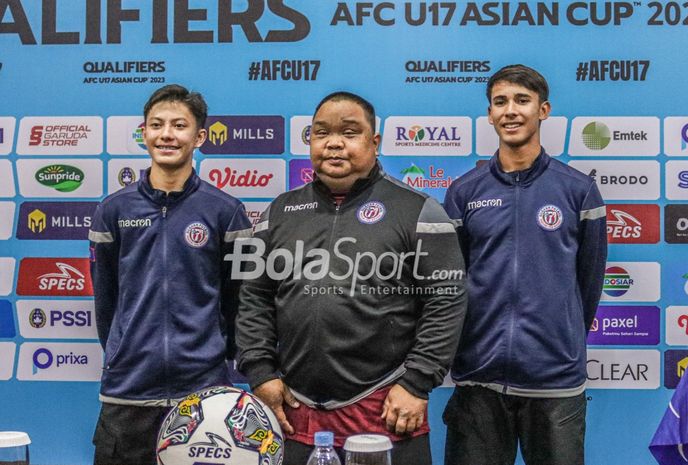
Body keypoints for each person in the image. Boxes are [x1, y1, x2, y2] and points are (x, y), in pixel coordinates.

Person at [234, 91, 466, 465]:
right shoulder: (280, 211)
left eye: (350, 132)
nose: (334, 143)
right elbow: (254, 297)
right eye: (321, 133)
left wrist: (417, 383)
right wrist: (260, 372)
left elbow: (447, 301)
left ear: (374, 142)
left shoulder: (418, 209)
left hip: (387, 407)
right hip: (295, 413)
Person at [442, 64, 608, 465]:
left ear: (543, 110)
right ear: (489, 114)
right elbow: (450, 283)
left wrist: (560, 338)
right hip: (479, 380)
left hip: (555, 384)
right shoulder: (464, 192)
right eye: (500, 102)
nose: (510, 111)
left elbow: (588, 282)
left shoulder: (578, 190)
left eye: (522, 100)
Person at [88, 84, 251, 465]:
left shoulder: (226, 212)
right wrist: (123, 350)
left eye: (179, 125)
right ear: (143, 132)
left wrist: (212, 355)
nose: (167, 134)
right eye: (157, 125)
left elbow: (238, 299)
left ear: (199, 137)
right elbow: (106, 300)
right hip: (127, 393)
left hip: (204, 396)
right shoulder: (112, 210)